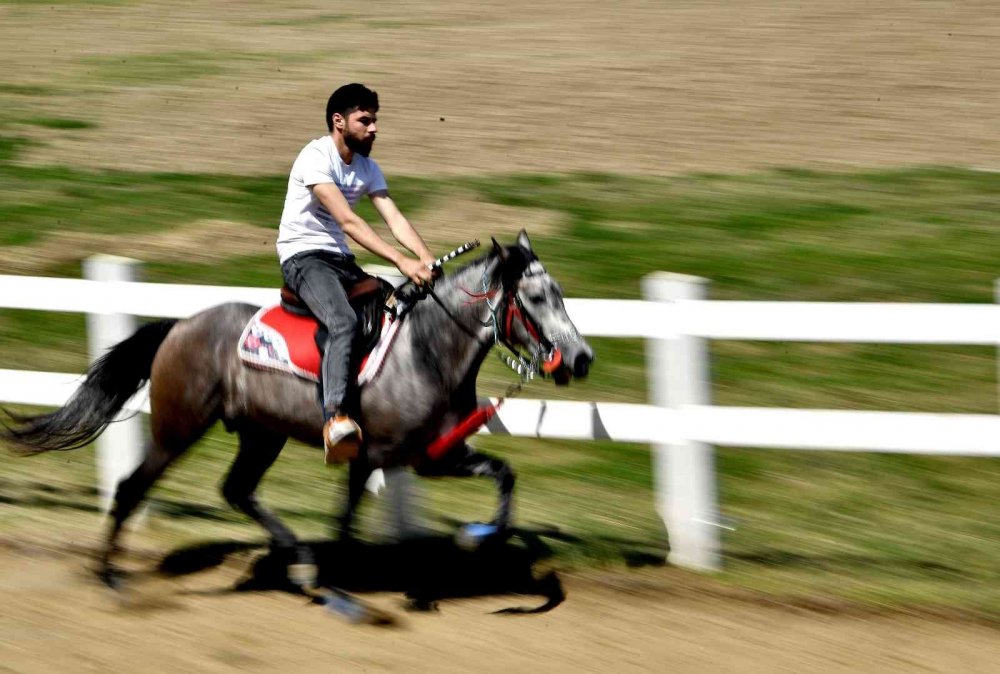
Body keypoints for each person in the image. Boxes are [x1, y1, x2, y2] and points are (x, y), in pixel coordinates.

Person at [276, 83, 434, 465]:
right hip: (304, 258)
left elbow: (393, 217)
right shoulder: (315, 157)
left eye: (375, 120)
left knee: (395, 309)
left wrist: (426, 258)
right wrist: (402, 262)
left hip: (340, 261)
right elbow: (348, 221)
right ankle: (335, 419)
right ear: (339, 121)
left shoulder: (368, 168)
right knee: (344, 322)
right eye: (365, 120)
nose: (374, 128)